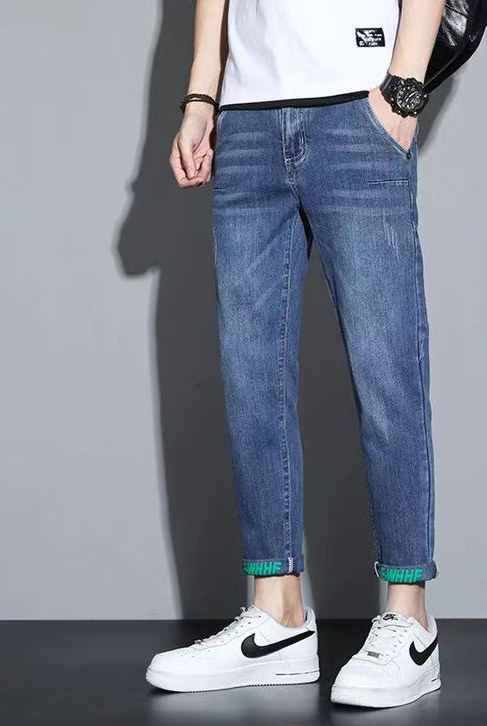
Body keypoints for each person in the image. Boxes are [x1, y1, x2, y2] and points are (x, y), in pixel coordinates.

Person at [146, 0, 446, 709]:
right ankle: (277, 616)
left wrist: (404, 89)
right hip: (248, 117)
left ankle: (410, 620)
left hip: (356, 106)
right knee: (251, 377)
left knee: (387, 373)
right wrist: (202, 94)